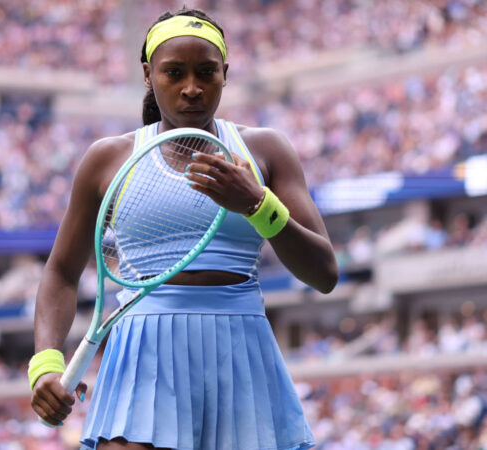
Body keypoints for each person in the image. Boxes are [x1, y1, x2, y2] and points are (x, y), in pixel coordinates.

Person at [29, 7, 338, 450]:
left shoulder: (266, 150)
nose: (191, 89)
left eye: (206, 73)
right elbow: (60, 272)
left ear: (225, 73)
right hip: (142, 355)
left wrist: (256, 204)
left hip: (241, 353)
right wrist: (45, 364)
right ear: (148, 75)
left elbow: (324, 273)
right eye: (173, 73)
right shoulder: (108, 159)